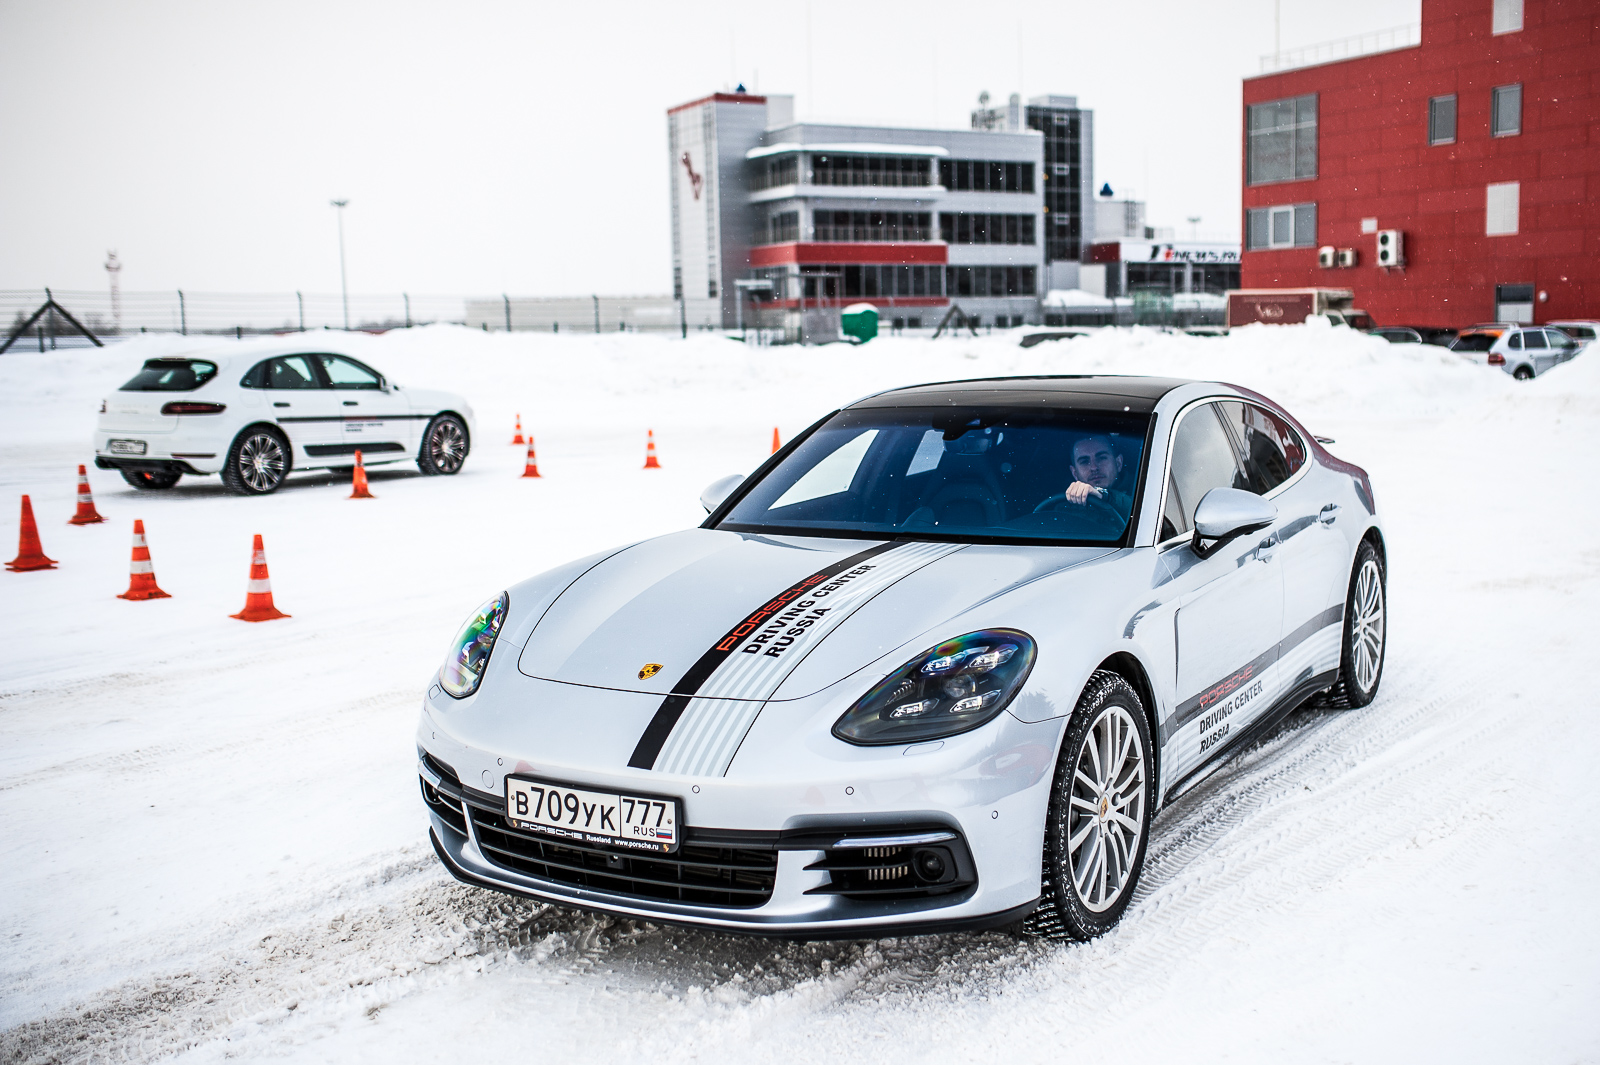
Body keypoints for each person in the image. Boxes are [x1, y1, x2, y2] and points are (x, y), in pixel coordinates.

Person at [1063, 434, 1132, 513]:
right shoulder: (1065, 509)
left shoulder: (1143, 488)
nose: (1094, 467)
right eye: (1084, 462)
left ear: (1118, 463)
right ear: (1075, 473)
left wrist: (1104, 496)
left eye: (1102, 458)